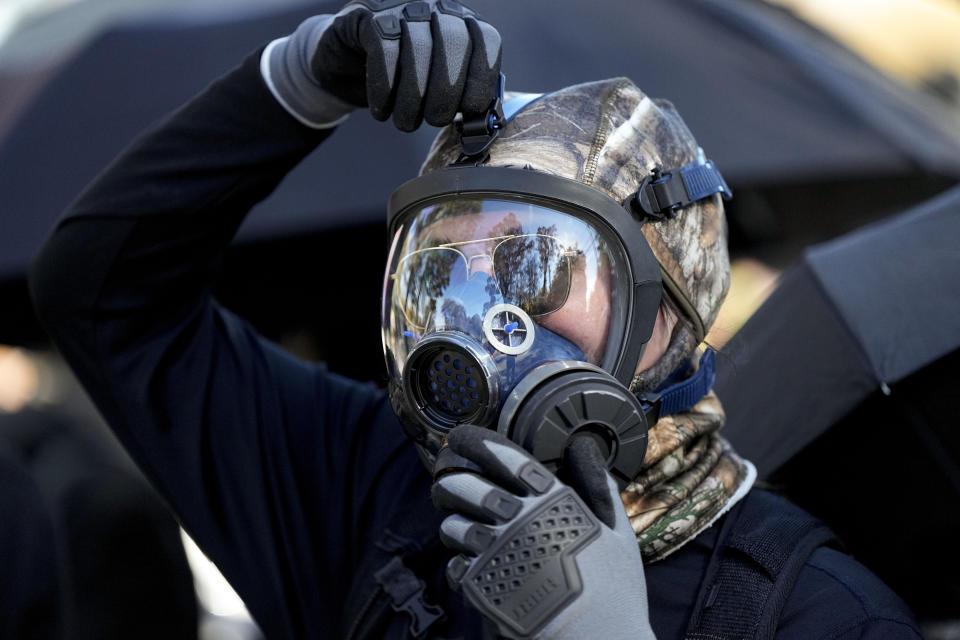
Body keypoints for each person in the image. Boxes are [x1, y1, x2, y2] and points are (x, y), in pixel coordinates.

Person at [30, 1, 922, 638]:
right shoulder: (369, 486)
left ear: (664, 317)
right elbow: (101, 292)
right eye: (444, 266)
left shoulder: (819, 612)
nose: (480, 314)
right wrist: (300, 81)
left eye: (535, 266)